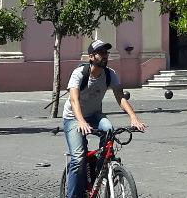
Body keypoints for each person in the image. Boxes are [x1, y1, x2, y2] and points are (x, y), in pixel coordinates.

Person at [61, 40, 145, 198]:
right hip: (73, 117)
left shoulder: (109, 74)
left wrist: (134, 117)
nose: (105, 56)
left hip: (94, 115)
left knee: (109, 129)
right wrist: (80, 121)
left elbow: (120, 97)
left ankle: (100, 170)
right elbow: (74, 100)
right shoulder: (79, 73)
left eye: (106, 52)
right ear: (91, 57)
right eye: (101, 53)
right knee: (78, 159)